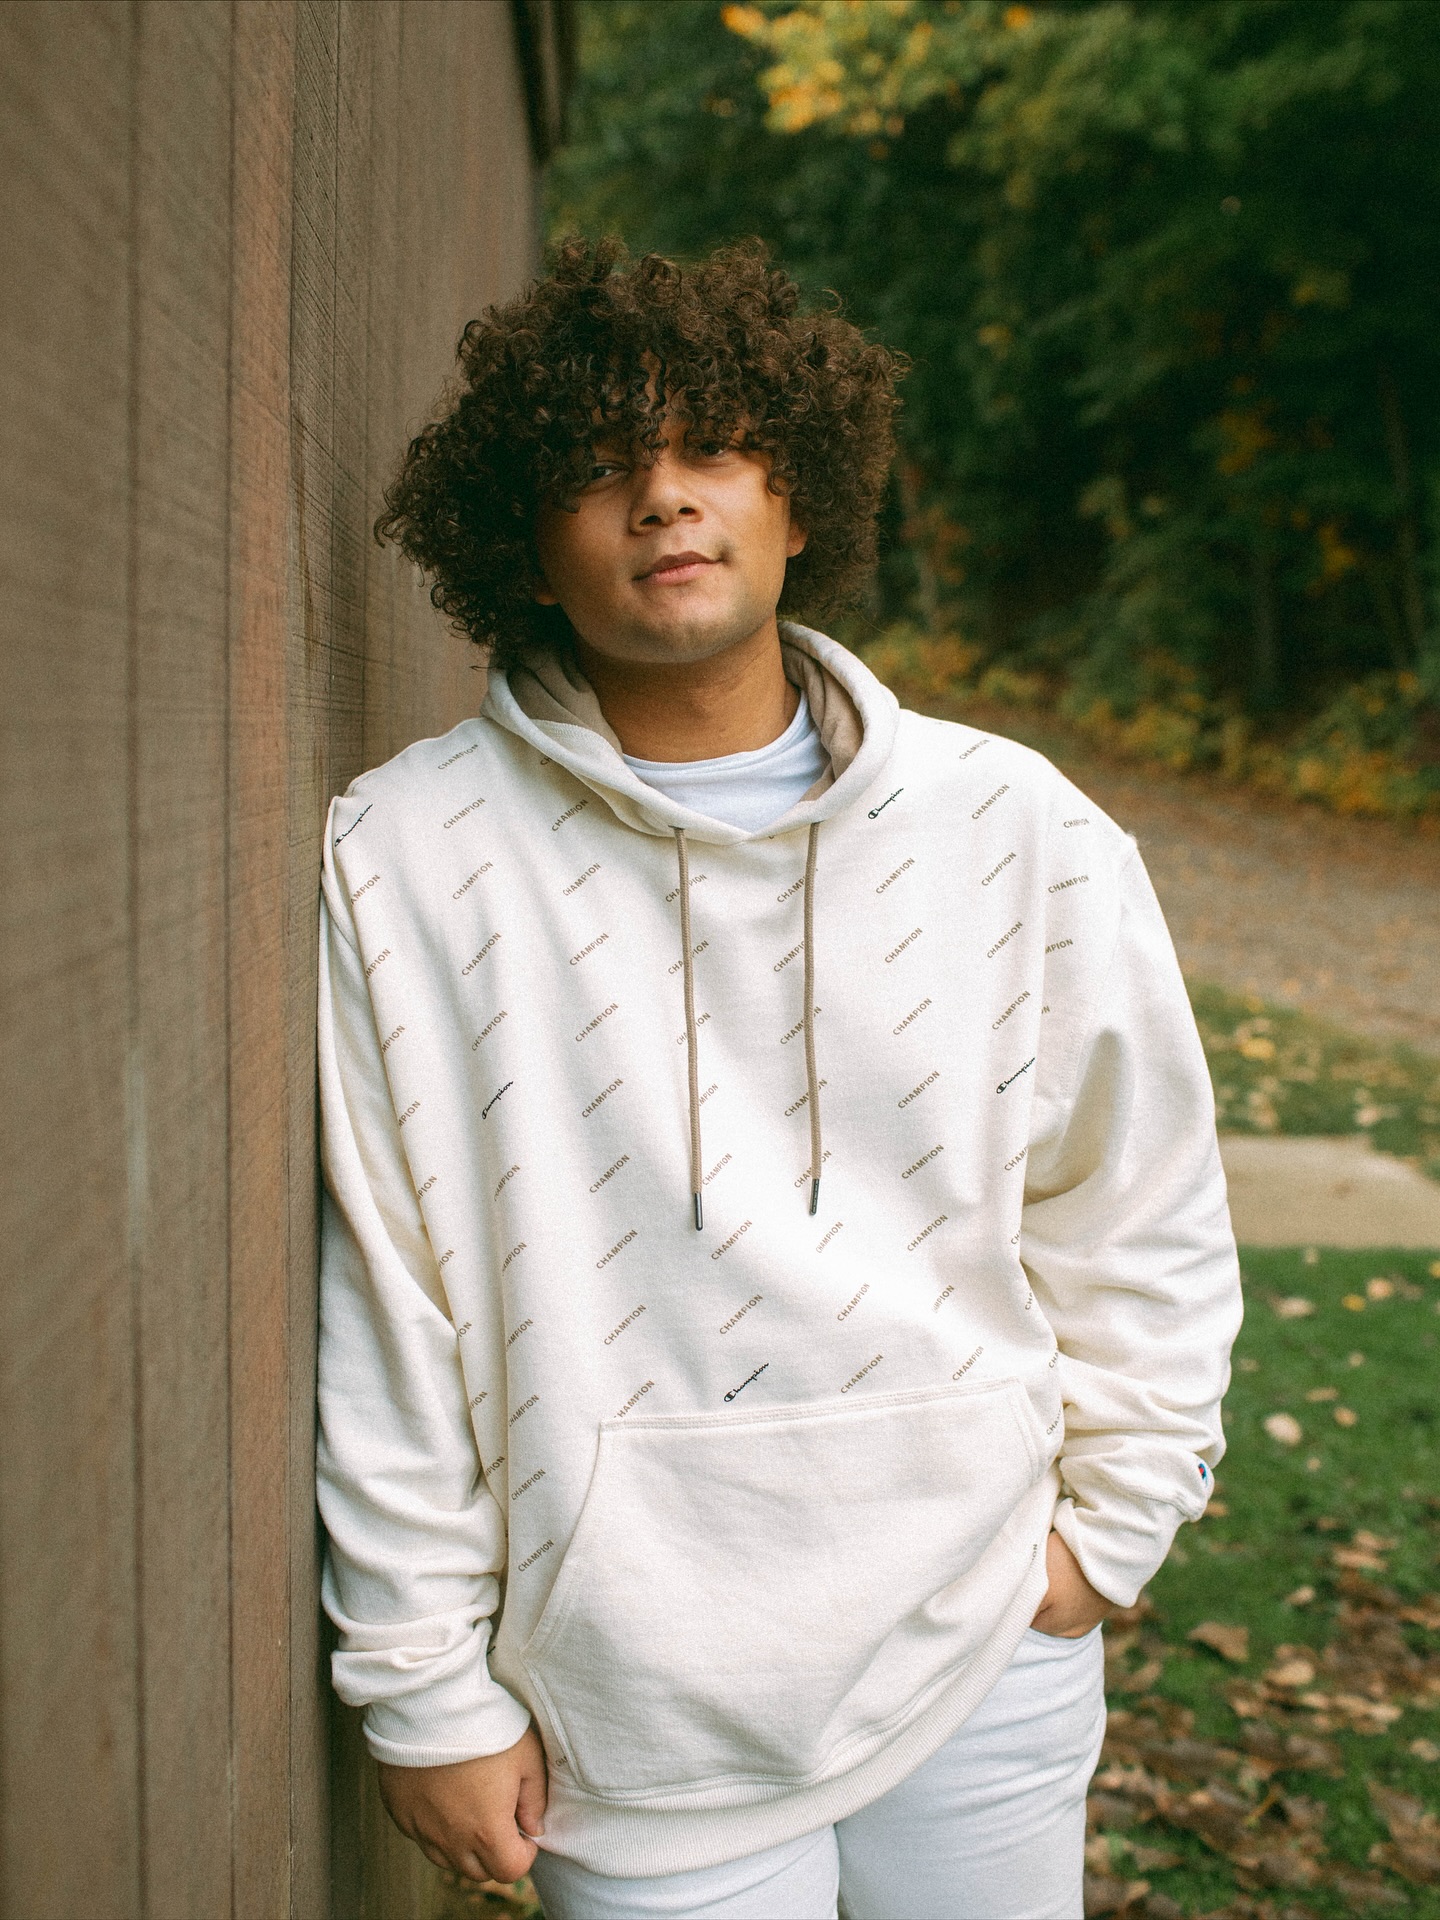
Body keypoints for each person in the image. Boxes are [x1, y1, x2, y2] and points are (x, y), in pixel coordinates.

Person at [316, 238, 1241, 1920]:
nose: (663, 497)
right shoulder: (410, 856)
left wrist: (1108, 1534)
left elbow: (1140, 1206)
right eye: (600, 467)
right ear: (524, 545)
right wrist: (424, 1684)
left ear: (797, 503)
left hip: (983, 1639)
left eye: (714, 451)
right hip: (629, 1697)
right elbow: (391, 1294)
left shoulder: (1016, 828)